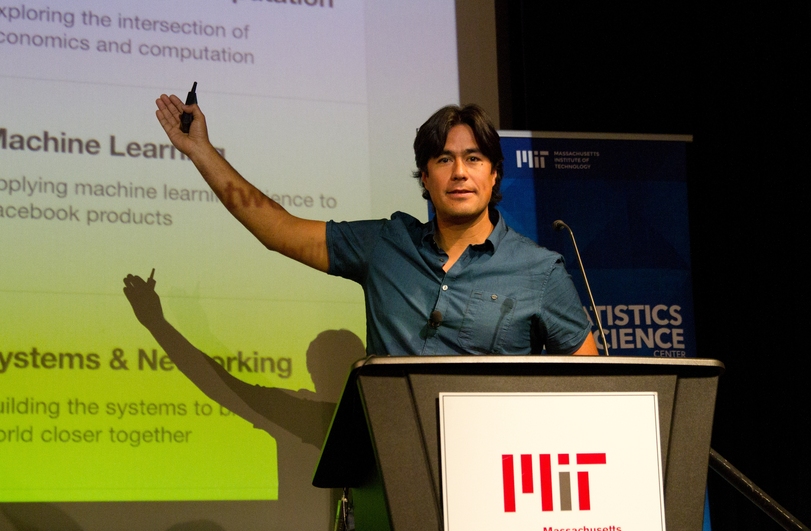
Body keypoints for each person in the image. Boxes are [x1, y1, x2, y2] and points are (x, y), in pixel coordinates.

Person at [154, 95, 598, 356]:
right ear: (425, 177)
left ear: (494, 174)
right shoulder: (386, 245)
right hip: (396, 474)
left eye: (474, 159)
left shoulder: (540, 271)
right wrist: (202, 153)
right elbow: (277, 229)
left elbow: (590, 389)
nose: (459, 172)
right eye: (444, 160)